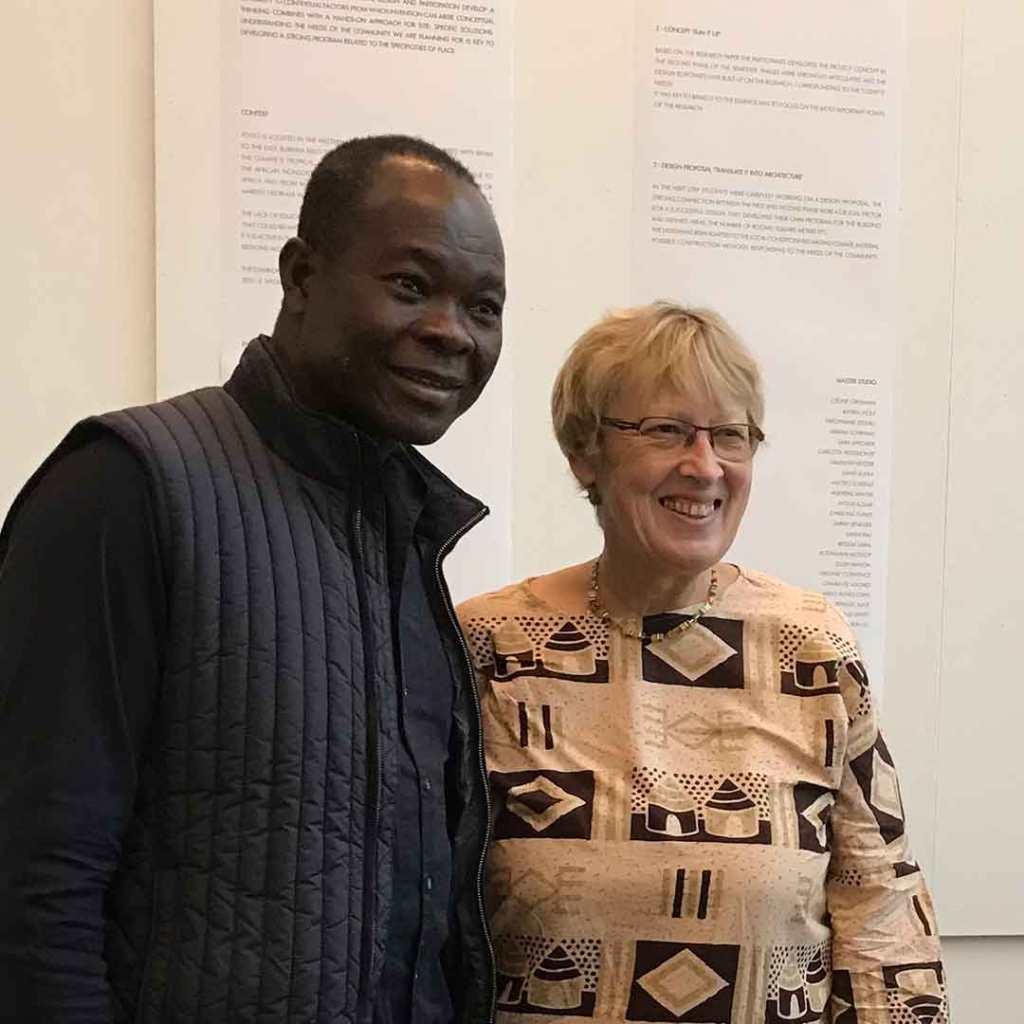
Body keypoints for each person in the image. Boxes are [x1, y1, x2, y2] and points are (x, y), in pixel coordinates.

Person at [0, 135, 506, 1024]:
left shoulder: (410, 536)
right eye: (410, 285)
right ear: (301, 276)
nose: (450, 332)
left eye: (483, 306)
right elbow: (35, 878)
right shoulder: (128, 484)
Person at [458, 304, 949, 1023]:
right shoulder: (491, 644)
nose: (705, 465)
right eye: (666, 430)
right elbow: (418, 912)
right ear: (585, 453)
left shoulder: (810, 647)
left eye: (730, 435)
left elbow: (882, 907)